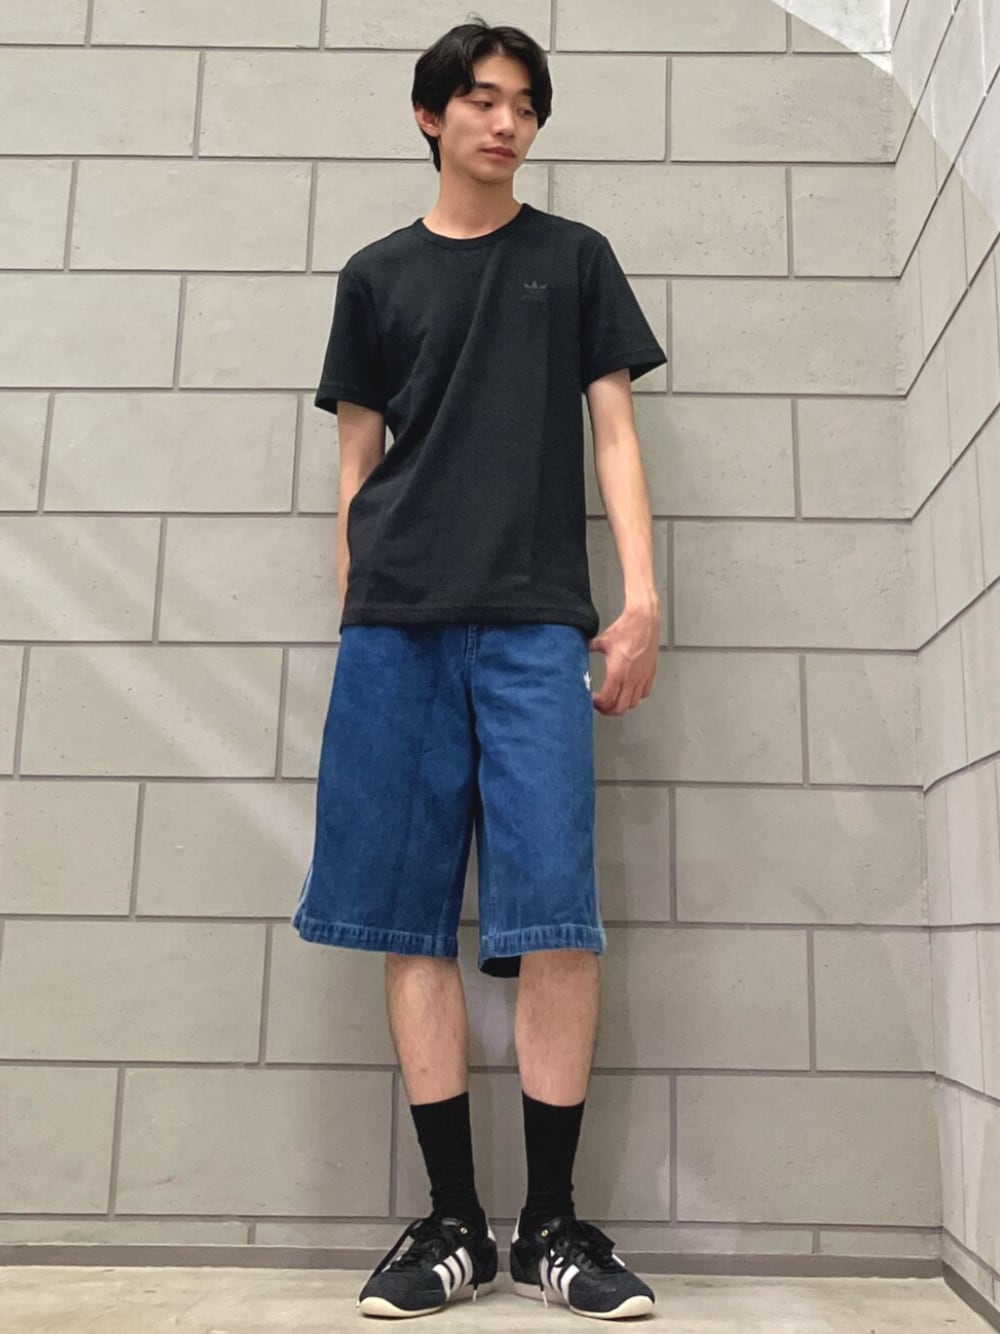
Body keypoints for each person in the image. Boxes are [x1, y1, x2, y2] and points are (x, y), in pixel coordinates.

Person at [291, 14, 667, 1322]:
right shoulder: (375, 275)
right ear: (431, 115)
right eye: (483, 100)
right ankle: (454, 1222)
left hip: (534, 624)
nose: (507, 122)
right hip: (396, 626)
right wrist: (361, 604)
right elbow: (355, 463)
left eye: (525, 104)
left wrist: (641, 598)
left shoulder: (573, 259)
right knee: (407, 918)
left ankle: (551, 1223)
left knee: (554, 910)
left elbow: (613, 436)